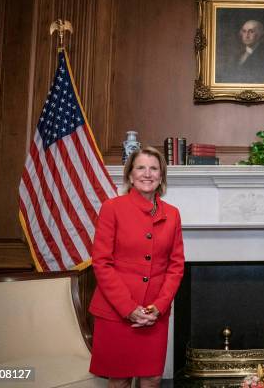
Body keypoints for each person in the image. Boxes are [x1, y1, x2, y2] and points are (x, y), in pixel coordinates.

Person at [89, 146, 185, 388]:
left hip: (154, 314)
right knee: (119, 379)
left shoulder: (172, 214)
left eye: (154, 169)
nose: (147, 173)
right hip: (116, 311)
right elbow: (102, 263)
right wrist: (128, 308)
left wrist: (159, 307)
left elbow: (176, 266)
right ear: (130, 175)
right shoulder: (112, 208)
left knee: (152, 377)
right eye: (140, 167)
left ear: (161, 177)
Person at [217, 19, 264, 84]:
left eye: (251, 31)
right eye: (244, 31)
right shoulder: (237, 56)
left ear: (260, 34)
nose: (246, 35)